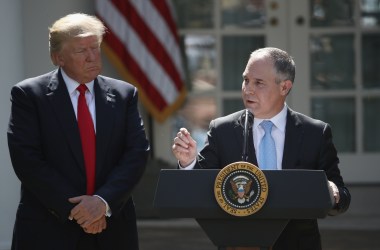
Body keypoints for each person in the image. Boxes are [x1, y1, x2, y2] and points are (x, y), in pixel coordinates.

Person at [172, 47, 351, 250]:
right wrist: (188, 162)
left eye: (259, 83)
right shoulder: (222, 130)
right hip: (239, 244)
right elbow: (200, 190)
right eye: (246, 80)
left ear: (284, 87)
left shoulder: (315, 133)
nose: (248, 89)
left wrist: (333, 193)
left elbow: (342, 198)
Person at [7, 13, 150, 250]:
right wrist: (81, 210)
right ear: (58, 57)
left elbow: (136, 154)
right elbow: (27, 159)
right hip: (49, 228)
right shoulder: (29, 95)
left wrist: (102, 203)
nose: (92, 56)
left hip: (112, 230)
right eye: (81, 50)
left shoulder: (125, 94)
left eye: (95, 47)